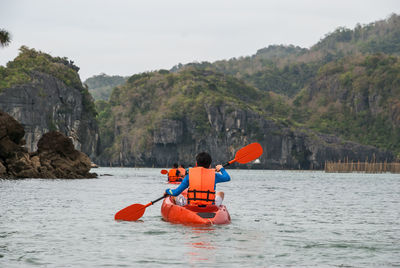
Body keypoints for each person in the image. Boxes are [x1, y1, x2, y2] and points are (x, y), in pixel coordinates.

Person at [165, 152, 230, 206]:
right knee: (221, 193)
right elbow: (227, 178)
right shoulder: (215, 175)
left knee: (174, 196)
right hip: (210, 206)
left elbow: (175, 192)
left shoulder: (189, 175)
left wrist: (167, 191)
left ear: (196, 164)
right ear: (210, 165)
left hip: (192, 206)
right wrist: (221, 168)